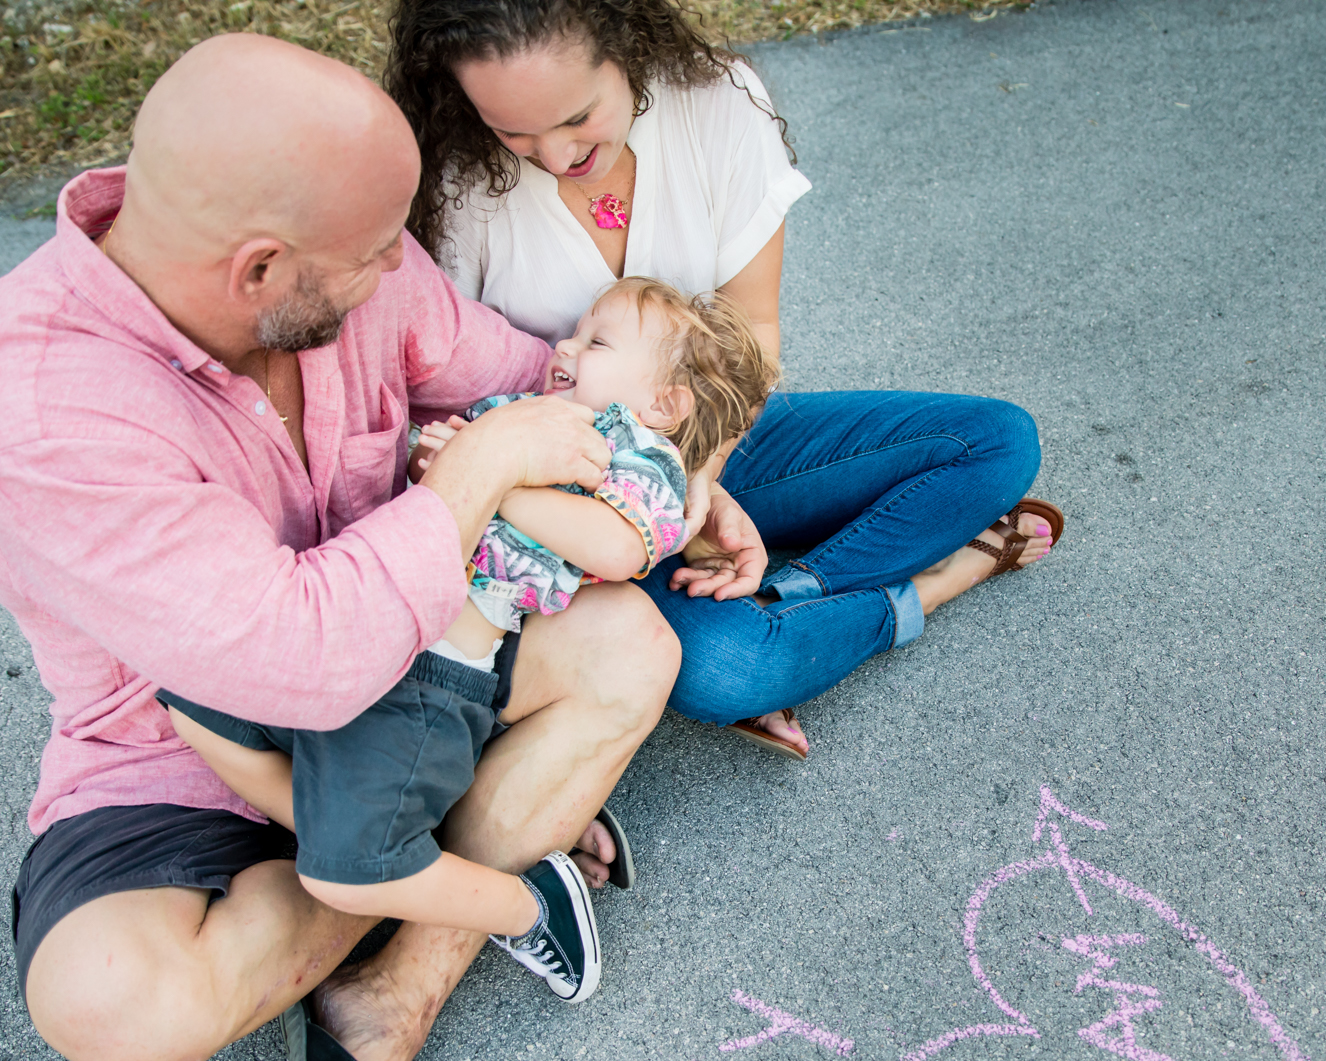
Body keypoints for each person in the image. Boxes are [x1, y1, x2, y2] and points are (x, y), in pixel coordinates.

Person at [0, 33, 678, 1061]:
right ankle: (475, 835)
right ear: (260, 269)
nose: (406, 272)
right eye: (381, 253)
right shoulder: (30, 412)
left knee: (635, 641)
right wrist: (478, 466)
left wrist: (674, 478)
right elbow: (305, 662)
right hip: (191, 744)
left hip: (427, 661)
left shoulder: (345, 270)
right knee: (116, 1005)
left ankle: (405, 980)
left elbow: (533, 377)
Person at [385, 0, 1063, 761]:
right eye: (512, 129)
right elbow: (446, 397)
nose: (551, 153)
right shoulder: (452, 177)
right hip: (569, 512)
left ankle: (795, 594)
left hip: (714, 433)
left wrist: (703, 478)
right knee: (733, 668)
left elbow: (754, 338)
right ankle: (926, 585)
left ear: (626, 46)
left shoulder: (715, 106)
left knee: (998, 441)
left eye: (577, 115)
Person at [158, 277, 774, 1003]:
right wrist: (443, 457)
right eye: (575, 331)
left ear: (665, 403)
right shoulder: (528, 414)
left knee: (338, 874)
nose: (566, 346)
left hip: (436, 675)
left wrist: (493, 474)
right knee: (189, 698)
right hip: (367, 619)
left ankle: (529, 905)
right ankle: (377, 827)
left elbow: (618, 548)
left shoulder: (638, 456)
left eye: (595, 341)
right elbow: (441, 477)